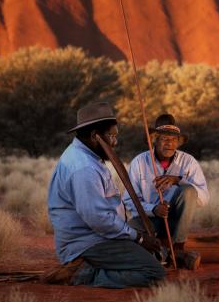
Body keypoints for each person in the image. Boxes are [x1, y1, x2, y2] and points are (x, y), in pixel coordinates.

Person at [47, 102, 165, 288]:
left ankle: (96, 267)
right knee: (154, 273)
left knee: (151, 253)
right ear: (95, 136)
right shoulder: (83, 167)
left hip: (99, 236)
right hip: (86, 243)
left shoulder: (88, 156)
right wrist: (139, 238)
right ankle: (84, 274)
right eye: (111, 136)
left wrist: (135, 237)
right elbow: (99, 220)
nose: (115, 142)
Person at [124, 114, 209, 270]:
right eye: (164, 139)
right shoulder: (139, 162)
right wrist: (153, 209)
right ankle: (170, 255)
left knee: (189, 190)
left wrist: (179, 180)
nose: (169, 144)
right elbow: (129, 201)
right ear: (155, 140)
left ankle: (177, 249)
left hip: (176, 222)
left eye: (174, 139)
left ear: (178, 142)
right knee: (129, 230)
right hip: (149, 221)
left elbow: (203, 199)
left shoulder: (188, 161)